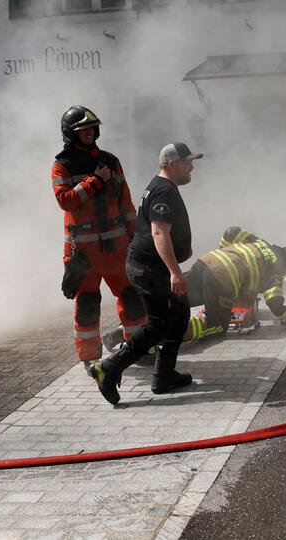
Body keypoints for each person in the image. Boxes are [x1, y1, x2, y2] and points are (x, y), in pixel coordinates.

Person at [88, 141, 201, 405]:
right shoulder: (163, 190)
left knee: (180, 311)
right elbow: (159, 233)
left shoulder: (162, 186)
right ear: (172, 165)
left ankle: (164, 374)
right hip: (149, 268)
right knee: (158, 323)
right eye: (188, 163)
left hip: (149, 266)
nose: (192, 167)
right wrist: (176, 272)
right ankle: (109, 368)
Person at [52, 106, 143, 367]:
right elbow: (65, 201)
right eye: (83, 130)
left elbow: (126, 203)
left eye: (92, 129)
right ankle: (90, 359)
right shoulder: (61, 166)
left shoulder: (111, 161)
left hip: (117, 248)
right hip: (84, 254)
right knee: (88, 304)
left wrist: (135, 239)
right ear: (71, 134)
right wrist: (94, 181)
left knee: (132, 299)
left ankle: (138, 349)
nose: (89, 133)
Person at [181, 226, 286, 342]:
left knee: (179, 294)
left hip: (207, 261)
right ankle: (172, 333)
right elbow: (274, 301)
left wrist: (224, 254)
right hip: (221, 280)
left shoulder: (260, 242)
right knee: (218, 327)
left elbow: (231, 231)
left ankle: (162, 314)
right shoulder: (276, 270)